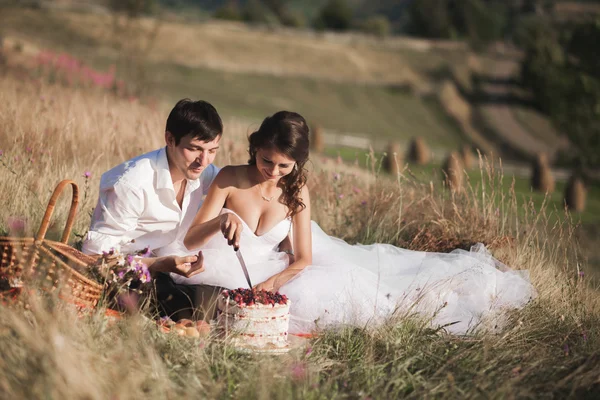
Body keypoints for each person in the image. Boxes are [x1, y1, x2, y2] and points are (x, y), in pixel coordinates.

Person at [175, 111, 536, 335]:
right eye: (266, 160)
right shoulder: (228, 178)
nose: (272, 171)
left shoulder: (297, 193)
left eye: (284, 166)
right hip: (227, 265)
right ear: (255, 147)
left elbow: (303, 259)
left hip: (277, 270)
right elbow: (191, 239)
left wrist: (272, 283)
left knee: (371, 304)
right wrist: (220, 219)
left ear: (297, 165)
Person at [82, 99, 226, 320]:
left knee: (225, 299)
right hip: (125, 273)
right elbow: (95, 257)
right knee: (185, 305)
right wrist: (158, 264)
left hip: (170, 264)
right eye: (194, 149)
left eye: (212, 151)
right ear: (170, 139)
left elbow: (233, 181)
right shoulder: (131, 184)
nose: (203, 160)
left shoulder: (201, 171)